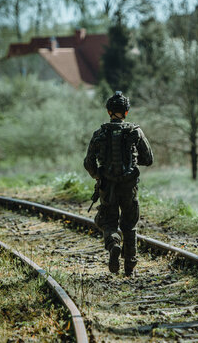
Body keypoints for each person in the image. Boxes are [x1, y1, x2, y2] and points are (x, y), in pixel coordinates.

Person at [84, 91, 153, 276]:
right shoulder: (135, 131)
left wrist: (99, 176)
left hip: (108, 187)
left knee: (108, 222)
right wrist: (131, 161)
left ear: (108, 112)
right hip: (129, 186)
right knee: (130, 225)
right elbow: (148, 159)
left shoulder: (100, 133)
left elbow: (88, 163)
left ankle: (113, 244)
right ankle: (129, 267)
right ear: (126, 112)